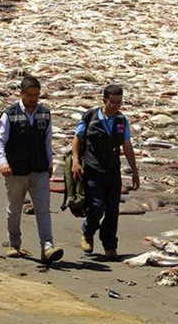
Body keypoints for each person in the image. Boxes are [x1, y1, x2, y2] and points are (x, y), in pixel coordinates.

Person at [0, 76, 64, 263]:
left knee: (43, 209)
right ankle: (14, 244)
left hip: (38, 170)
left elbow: (47, 141)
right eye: (30, 95)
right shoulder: (10, 114)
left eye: (37, 95)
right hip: (16, 171)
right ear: (21, 94)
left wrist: (49, 163)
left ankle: (47, 247)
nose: (33, 99)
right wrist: (2, 162)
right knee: (14, 209)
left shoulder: (45, 114)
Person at [71, 84, 139, 260]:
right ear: (104, 101)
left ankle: (110, 245)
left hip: (112, 170)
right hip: (92, 169)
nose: (116, 106)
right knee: (96, 206)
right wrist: (76, 162)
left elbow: (127, 146)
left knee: (112, 210)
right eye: (113, 102)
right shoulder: (90, 117)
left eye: (119, 102)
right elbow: (77, 139)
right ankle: (88, 231)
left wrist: (134, 170)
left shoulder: (122, 121)